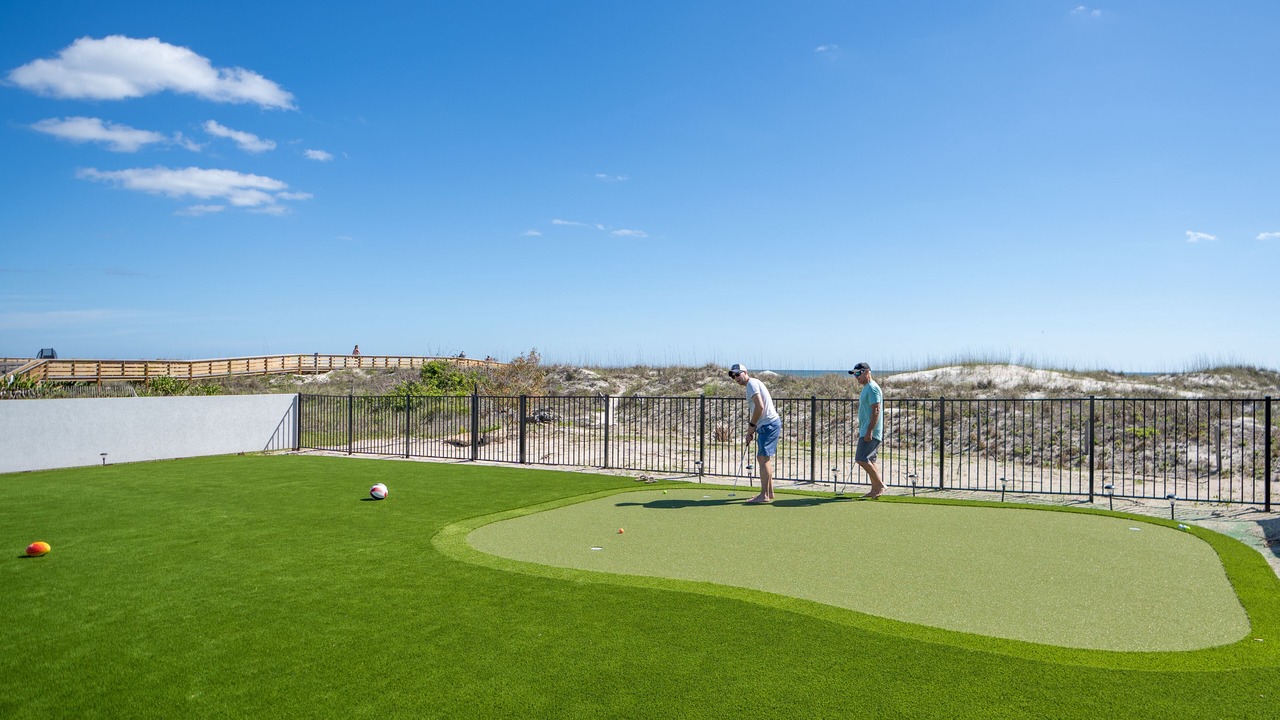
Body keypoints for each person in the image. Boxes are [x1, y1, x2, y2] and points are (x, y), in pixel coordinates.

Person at [729, 363, 782, 504]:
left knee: (762, 458)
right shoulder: (753, 383)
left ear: (745, 372)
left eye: (738, 374)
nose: (736, 378)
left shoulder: (751, 384)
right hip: (768, 424)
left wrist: (751, 426)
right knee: (765, 458)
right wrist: (754, 427)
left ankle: (763, 495)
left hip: (768, 425)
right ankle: (769, 493)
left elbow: (760, 407)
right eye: (733, 376)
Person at [849, 362, 885, 499]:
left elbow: (876, 409)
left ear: (867, 372)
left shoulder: (872, 388)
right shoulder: (866, 388)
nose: (856, 377)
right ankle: (875, 490)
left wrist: (869, 430)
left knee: (861, 458)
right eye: (854, 374)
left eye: (858, 373)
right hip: (866, 429)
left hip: (871, 430)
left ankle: (880, 485)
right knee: (870, 459)